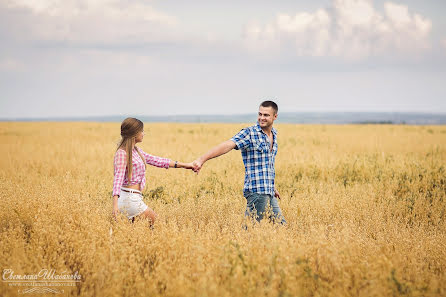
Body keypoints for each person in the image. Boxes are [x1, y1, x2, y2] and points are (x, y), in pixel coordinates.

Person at [192, 101, 286, 224]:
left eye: (266, 115)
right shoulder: (250, 133)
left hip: (268, 191)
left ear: (275, 116)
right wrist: (201, 159)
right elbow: (227, 145)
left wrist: (272, 187)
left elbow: (267, 165)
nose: (262, 118)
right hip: (256, 192)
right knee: (250, 229)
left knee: (280, 226)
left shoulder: (274, 135)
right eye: (260, 114)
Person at [112, 117, 194, 225]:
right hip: (129, 199)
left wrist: (185, 165)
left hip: (134, 197)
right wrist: (115, 207)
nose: (143, 133)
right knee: (158, 223)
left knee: (137, 233)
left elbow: (157, 161)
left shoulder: (136, 151)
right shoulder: (122, 153)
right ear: (134, 133)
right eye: (141, 131)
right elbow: (118, 179)